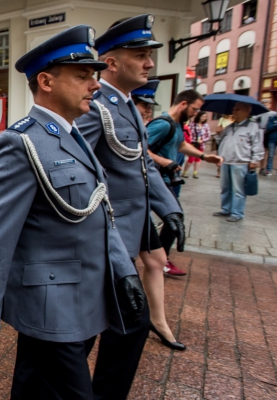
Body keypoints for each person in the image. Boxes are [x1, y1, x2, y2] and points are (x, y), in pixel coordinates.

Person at [0, 24, 146, 399]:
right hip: (50, 307)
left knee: (36, 389)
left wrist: (124, 271)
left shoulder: (74, 135)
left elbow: (100, 212)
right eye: (83, 76)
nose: (95, 85)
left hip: (84, 298)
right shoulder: (21, 142)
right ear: (46, 81)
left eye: (94, 76)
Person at [74, 15, 188, 400]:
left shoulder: (124, 105)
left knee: (101, 328)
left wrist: (168, 207)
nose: (149, 63)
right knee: (110, 327)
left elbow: (138, 166)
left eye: (149, 55)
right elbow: (76, 169)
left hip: (131, 229)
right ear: (111, 62)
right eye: (139, 55)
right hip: (107, 234)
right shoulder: (97, 107)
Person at [147, 91, 223, 267]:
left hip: (164, 180)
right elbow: (138, 147)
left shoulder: (177, 124)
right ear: (183, 104)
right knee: (175, 218)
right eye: (194, 109)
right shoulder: (162, 125)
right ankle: (161, 260)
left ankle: (159, 259)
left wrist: (204, 156)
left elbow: (180, 144)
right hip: (155, 180)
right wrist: (164, 161)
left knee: (170, 218)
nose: (195, 114)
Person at [213, 102, 264, 222]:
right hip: (226, 161)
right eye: (234, 109)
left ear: (247, 111)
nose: (234, 112)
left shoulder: (253, 126)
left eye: (237, 109)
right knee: (225, 188)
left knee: (238, 189)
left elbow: (257, 145)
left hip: (241, 162)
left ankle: (237, 213)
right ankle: (226, 209)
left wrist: (255, 159)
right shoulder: (230, 126)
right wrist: (219, 134)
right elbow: (220, 141)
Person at [183, 111, 211, 179]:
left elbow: (208, 135)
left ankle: (195, 172)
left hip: (201, 144)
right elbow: (189, 134)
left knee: (199, 158)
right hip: (193, 143)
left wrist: (203, 140)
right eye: (202, 116)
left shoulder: (206, 125)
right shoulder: (192, 124)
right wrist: (192, 141)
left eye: (205, 117)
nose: (203, 118)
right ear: (199, 116)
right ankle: (185, 172)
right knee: (191, 158)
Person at [263, 104, 277, 176]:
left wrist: (274, 125)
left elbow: (272, 126)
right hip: (272, 139)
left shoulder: (273, 120)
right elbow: (268, 127)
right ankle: (268, 170)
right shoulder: (272, 118)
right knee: (270, 156)